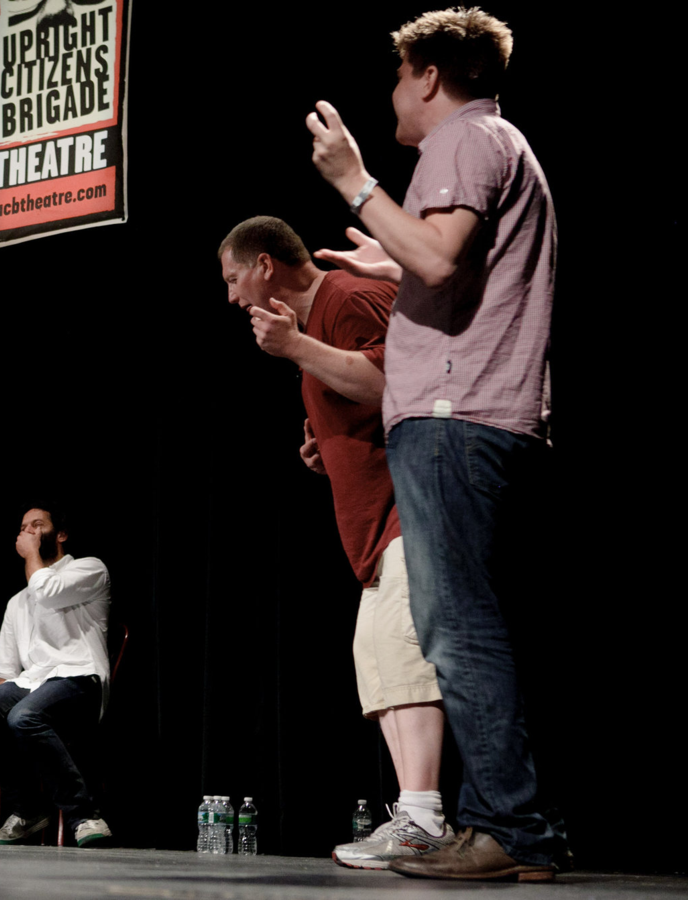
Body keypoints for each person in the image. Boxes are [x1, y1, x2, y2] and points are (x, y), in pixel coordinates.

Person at [307, 8, 564, 881]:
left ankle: (508, 828)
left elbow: (442, 257)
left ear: (425, 75)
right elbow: (451, 263)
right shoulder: (496, 143)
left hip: (457, 415)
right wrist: (391, 261)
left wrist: (355, 184)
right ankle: (515, 825)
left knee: (457, 631)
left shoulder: (461, 140)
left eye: (396, 75)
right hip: (482, 415)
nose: (392, 92)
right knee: (471, 625)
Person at [219, 216, 452, 869]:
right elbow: (364, 400)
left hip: (411, 509)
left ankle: (425, 818)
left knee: (402, 652)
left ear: (265, 265)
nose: (231, 296)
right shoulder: (317, 319)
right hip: (374, 524)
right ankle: (415, 818)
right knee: (377, 661)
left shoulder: (347, 297)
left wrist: (297, 348)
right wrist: (331, 445)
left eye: (233, 278)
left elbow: (395, 381)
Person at [0, 506, 113, 848]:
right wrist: (1, 709)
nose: (29, 532)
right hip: (33, 684)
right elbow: (3, 670)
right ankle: (28, 810)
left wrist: (32, 554)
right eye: (24, 528)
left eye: (38, 525)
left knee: (24, 716)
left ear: (60, 534)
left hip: (80, 679)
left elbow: (47, 590)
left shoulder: (89, 569)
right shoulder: (17, 602)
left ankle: (85, 816)